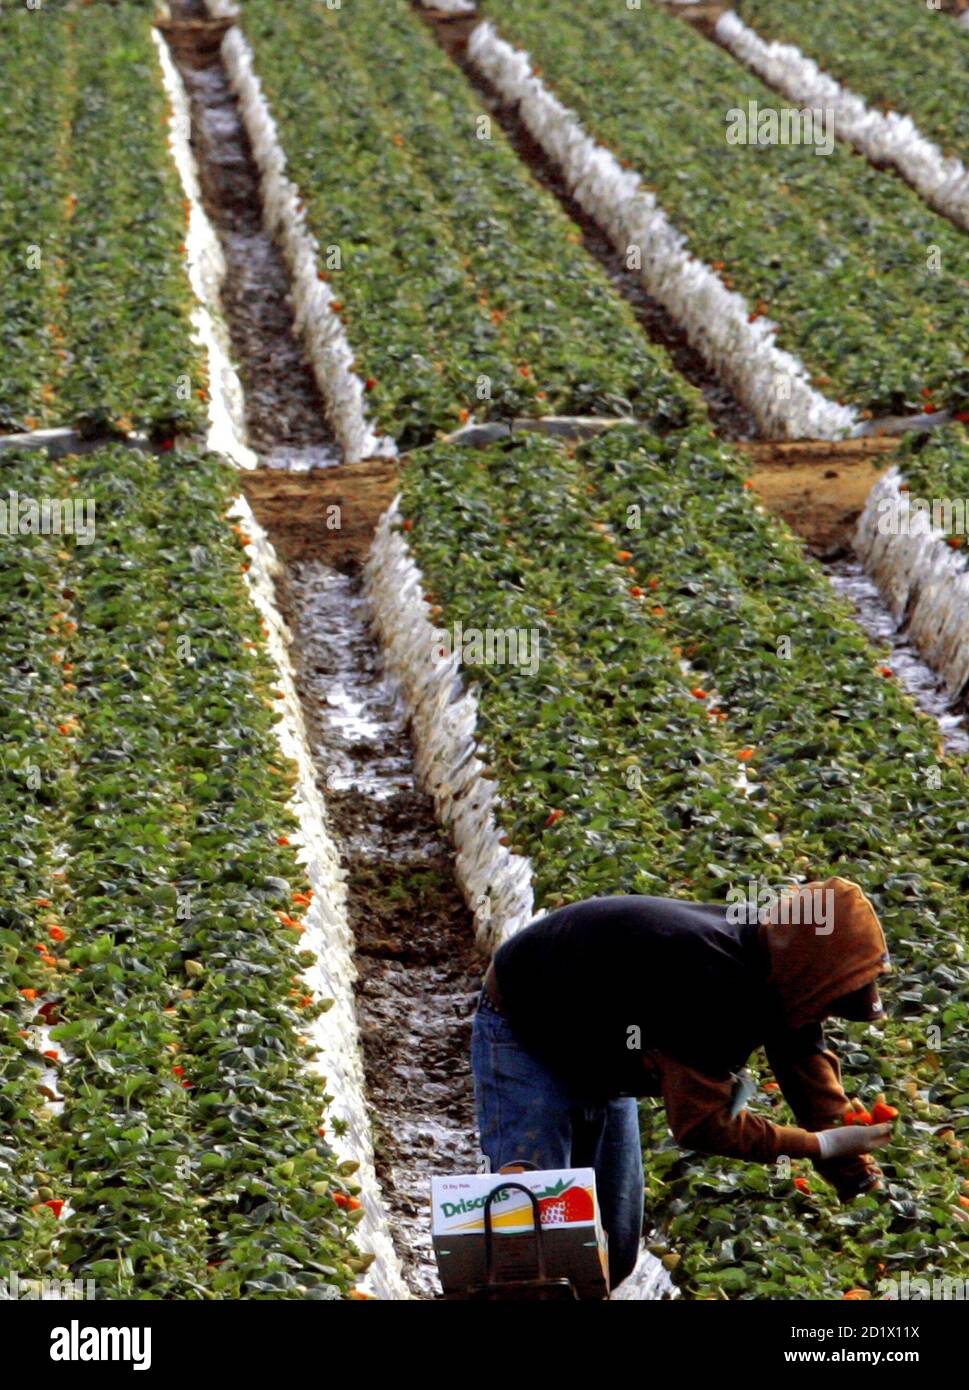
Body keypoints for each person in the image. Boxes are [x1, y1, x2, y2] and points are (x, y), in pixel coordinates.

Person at [470, 877, 894, 1293]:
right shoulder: (706, 975)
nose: (825, 1014)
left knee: (612, 1247)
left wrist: (859, 1179)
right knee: (533, 1227)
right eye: (830, 999)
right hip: (527, 1029)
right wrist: (820, 1146)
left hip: (603, 1044)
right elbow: (702, 1124)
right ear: (809, 972)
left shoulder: (782, 972)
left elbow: (809, 1076)